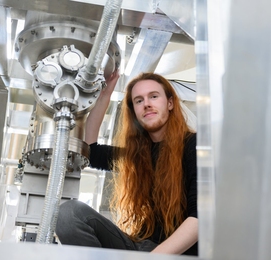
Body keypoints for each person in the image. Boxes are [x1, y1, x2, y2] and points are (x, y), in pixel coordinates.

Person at [56, 72, 198, 255]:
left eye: (154, 96)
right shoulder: (137, 156)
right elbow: (91, 151)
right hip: (141, 249)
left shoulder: (194, 145)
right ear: (134, 112)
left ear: (170, 103)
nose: (146, 104)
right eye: (138, 101)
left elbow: (200, 218)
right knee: (70, 214)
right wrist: (105, 94)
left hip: (178, 254)